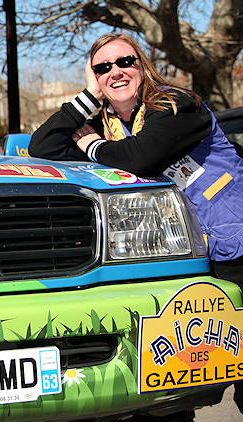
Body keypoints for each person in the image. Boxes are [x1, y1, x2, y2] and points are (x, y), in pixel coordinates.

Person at [29, 32, 243, 412]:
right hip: (183, 261)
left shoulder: (176, 104)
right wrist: (87, 101)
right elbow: (42, 147)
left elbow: (141, 156)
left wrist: (91, 145)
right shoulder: (109, 124)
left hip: (236, 251)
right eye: (103, 68)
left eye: (125, 61)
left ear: (142, 66)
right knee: (174, 385)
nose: (116, 72)